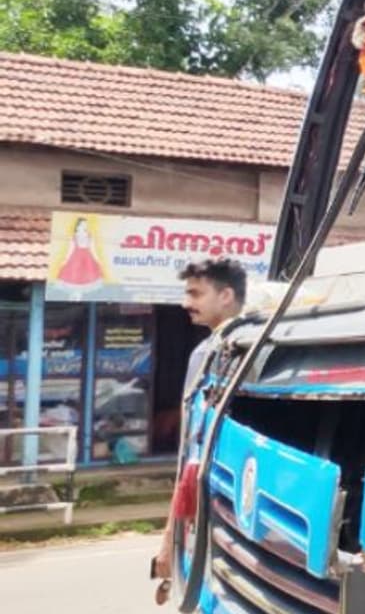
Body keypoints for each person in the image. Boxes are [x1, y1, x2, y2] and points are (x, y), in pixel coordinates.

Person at [151, 258, 247, 605]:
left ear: (225, 296)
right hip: (207, 508)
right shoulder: (205, 354)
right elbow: (190, 453)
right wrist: (170, 535)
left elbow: (193, 451)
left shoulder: (246, 352)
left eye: (195, 293)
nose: (185, 303)